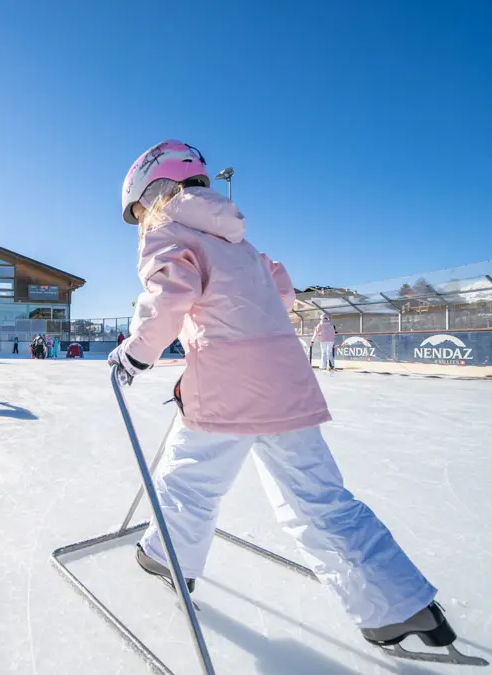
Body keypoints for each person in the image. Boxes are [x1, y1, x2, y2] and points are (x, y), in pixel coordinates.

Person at [108, 140, 454, 652]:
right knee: (321, 498)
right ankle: (400, 607)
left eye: (139, 211)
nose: (142, 222)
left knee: (190, 481)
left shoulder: (168, 231)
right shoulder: (239, 240)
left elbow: (169, 296)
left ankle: (166, 557)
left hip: (226, 386)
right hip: (285, 383)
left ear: (155, 193)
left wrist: (136, 353)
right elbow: (282, 287)